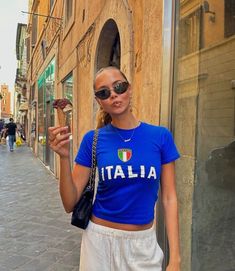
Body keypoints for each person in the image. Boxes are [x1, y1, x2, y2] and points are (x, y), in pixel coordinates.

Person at [48, 66, 181, 271]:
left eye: (119, 86)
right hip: (99, 242)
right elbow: (69, 203)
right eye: (104, 92)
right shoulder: (93, 140)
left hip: (143, 245)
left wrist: (175, 259)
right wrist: (64, 158)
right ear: (99, 101)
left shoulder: (160, 137)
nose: (114, 95)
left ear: (129, 89)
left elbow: (169, 198)